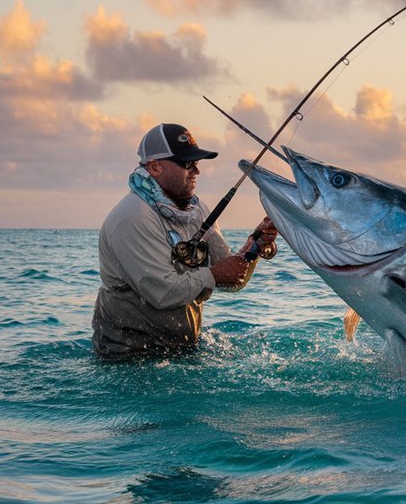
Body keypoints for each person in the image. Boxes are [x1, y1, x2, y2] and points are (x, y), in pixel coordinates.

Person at [92, 123, 277, 360]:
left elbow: (231, 279)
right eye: (186, 164)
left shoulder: (197, 210)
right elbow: (163, 292)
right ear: (155, 167)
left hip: (182, 351)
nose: (196, 171)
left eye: (197, 163)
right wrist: (215, 274)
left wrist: (254, 246)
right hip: (128, 356)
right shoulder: (132, 217)